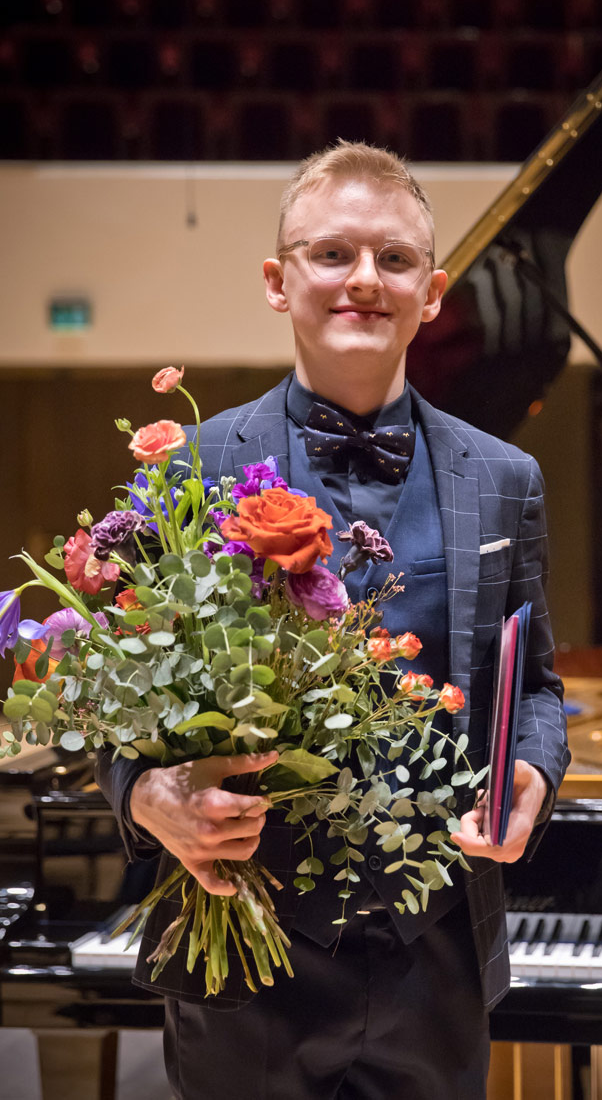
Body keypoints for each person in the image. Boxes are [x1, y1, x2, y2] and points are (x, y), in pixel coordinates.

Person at [96, 141, 569, 1100]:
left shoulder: (506, 479)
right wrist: (149, 797)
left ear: (433, 293)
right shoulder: (189, 468)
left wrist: (535, 768)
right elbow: (117, 704)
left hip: (436, 955)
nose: (365, 280)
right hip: (248, 956)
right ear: (279, 280)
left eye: (395, 260)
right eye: (332, 254)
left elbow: (542, 686)